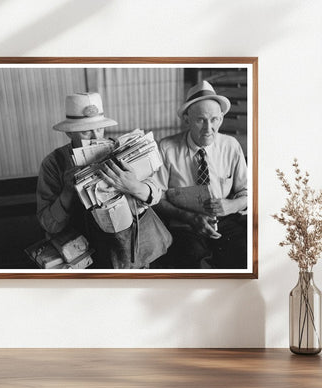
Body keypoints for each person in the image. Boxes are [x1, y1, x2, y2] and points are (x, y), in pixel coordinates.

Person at [36, 92, 161, 268]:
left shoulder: (121, 149)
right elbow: (48, 224)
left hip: (127, 249)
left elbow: (156, 194)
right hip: (81, 254)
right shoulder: (54, 163)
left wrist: (134, 186)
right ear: (69, 133)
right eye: (86, 131)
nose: (96, 137)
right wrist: (67, 192)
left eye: (99, 129)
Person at [154, 80, 248, 269]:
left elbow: (246, 193)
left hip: (225, 220)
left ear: (221, 118)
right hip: (184, 224)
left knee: (245, 254)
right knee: (192, 263)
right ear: (187, 120)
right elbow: (157, 197)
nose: (208, 129)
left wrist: (231, 205)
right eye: (200, 120)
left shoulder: (231, 146)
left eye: (214, 120)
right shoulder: (166, 148)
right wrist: (189, 218)